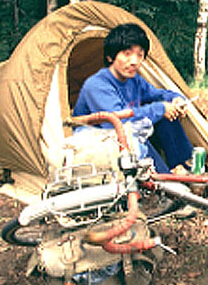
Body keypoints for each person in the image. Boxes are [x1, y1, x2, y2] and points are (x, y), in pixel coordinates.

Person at [73, 23, 193, 174]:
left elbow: (158, 94)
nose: (134, 61)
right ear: (110, 56)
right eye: (127, 54)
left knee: (166, 114)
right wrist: (160, 108)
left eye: (140, 55)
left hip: (129, 137)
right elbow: (119, 123)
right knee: (145, 123)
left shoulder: (134, 81)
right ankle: (165, 178)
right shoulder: (96, 85)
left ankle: (184, 165)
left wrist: (176, 99)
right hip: (100, 145)